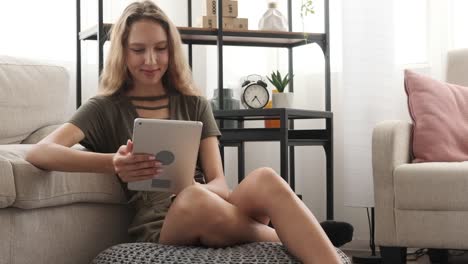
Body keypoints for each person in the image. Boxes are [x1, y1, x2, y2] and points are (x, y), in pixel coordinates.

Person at [25, 1, 343, 263]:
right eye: (138, 50)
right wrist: (113, 163)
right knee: (193, 200)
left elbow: (220, 182)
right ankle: (299, 234)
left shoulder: (194, 103)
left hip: (212, 203)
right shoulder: (104, 107)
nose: (151, 60)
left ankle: (310, 242)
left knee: (264, 177)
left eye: (160, 49)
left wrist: (194, 186)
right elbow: (41, 152)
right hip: (165, 224)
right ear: (122, 52)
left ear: (172, 51)